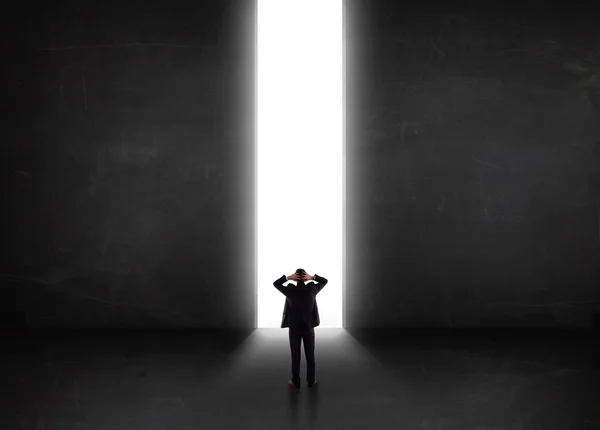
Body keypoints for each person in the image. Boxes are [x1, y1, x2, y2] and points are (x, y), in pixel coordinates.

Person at [273, 268, 328, 389]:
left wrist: (288, 278)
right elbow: (325, 281)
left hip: (294, 329)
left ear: (295, 278)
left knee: (295, 355)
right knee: (310, 355)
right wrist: (312, 277)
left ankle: (295, 381)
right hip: (308, 328)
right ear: (305, 278)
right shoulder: (312, 289)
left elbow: (275, 283)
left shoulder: (290, 290)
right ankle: (311, 380)